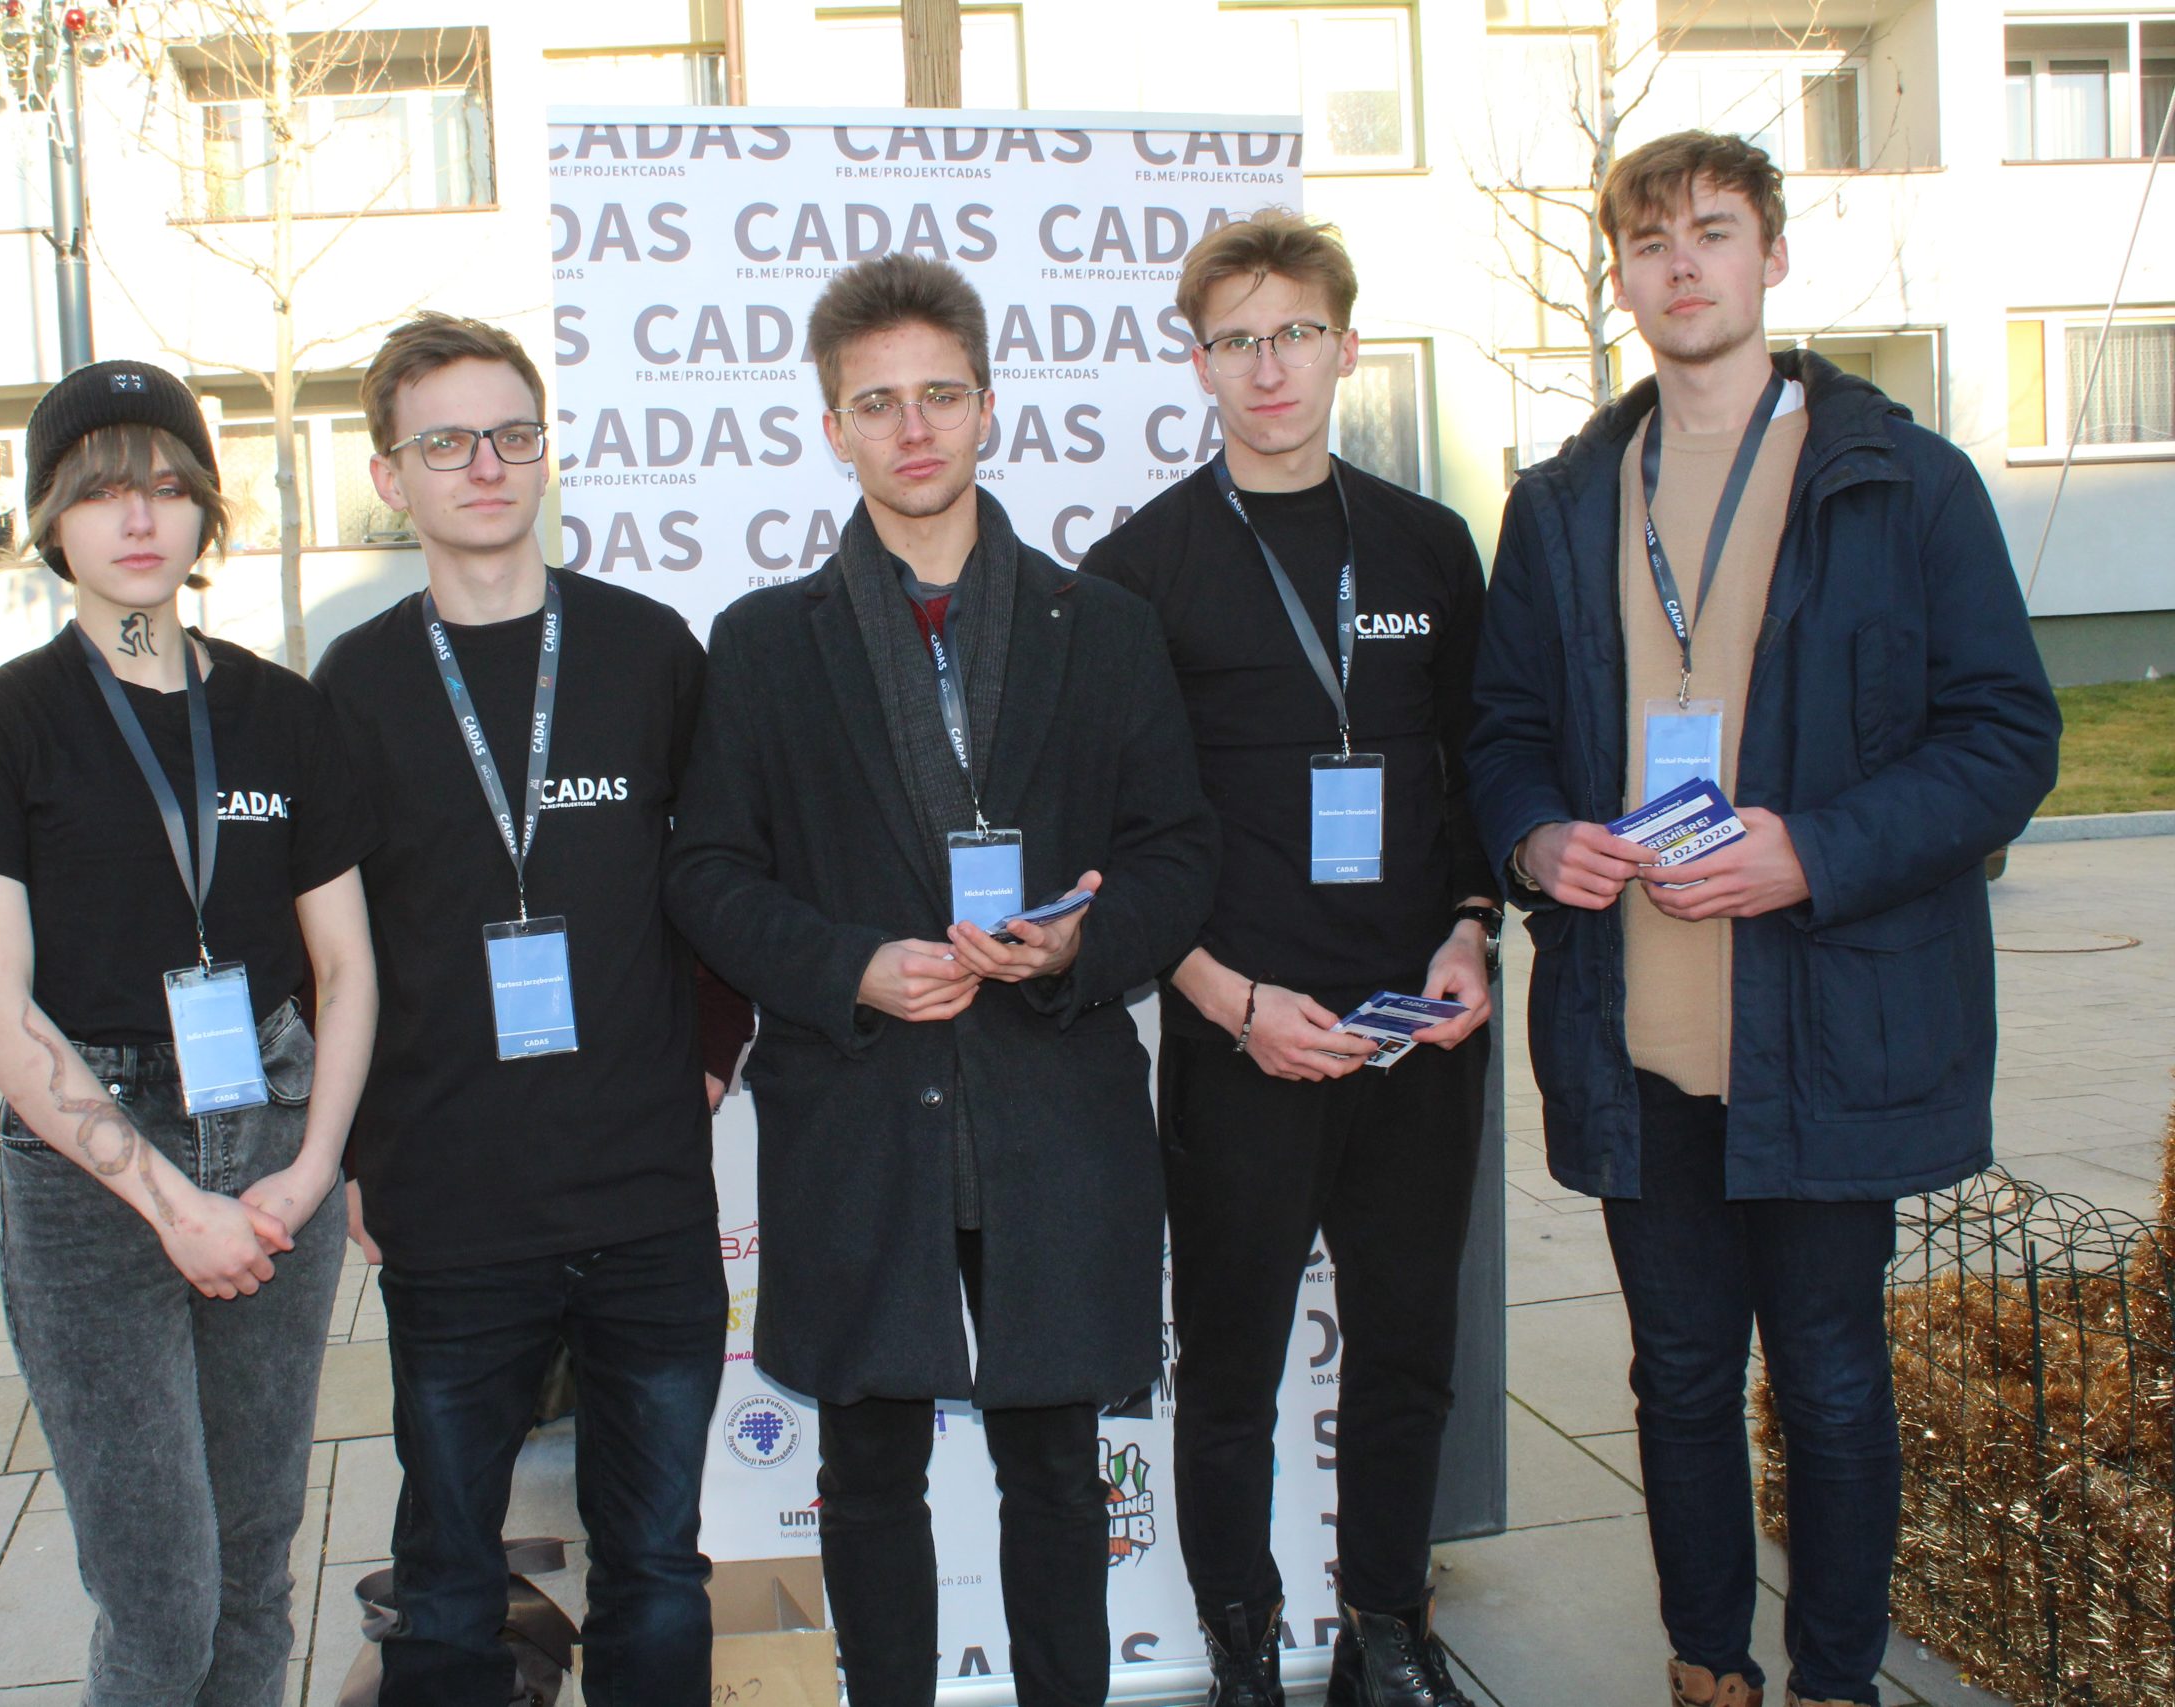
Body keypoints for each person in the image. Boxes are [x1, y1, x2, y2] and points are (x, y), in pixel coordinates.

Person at [1465, 132, 2060, 1707]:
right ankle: (1707, 1667)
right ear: (1620, 277)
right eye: (1651, 241)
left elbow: (2008, 736)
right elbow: (1504, 730)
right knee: (1675, 1379)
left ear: (1772, 258)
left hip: (1827, 1022)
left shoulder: (1903, 482)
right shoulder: (1563, 500)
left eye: (1714, 232)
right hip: (1635, 1031)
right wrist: (1536, 837)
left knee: (1833, 1382)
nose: (1683, 266)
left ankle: (1834, 1682)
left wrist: (1816, 852)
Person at [664, 253, 1220, 1707]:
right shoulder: (763, 645)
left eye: (939, 396)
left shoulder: (1104, 627)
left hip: (1055, 1105)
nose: (912, 429)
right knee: (867, 1470)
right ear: (832, 428)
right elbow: (708, 875)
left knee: (1058, 1468)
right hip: (860, 1109)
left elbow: (1178, 850)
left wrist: (1083, 943)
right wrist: (851, 966)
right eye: (877, 404)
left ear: (987, 407)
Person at [0, 359, 380, 1707]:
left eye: (168, 485)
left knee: (257, 1574)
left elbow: (346, 966)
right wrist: (172, 1206)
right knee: (161, 1598)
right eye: (104, 490)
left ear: (209, 508)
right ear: (53, 519)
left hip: (274, 1141)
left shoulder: (283, 712)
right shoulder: (0, 725)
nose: (142, 517)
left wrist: (315, 1168)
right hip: (94, 1170)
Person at [1084, 210, 1498, 1707]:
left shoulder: (1429, 544)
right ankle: (1244, 1642)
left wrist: (1471, 930)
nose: (1270, 367)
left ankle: (1385, 1630)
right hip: (1241, 1033)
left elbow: (1474, 762)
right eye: (1238, 340)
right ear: (1197, 361)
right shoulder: (1138, 568)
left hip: (1416, 1032)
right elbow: (1116, 830)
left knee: (1407, 1353)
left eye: (1297, 334)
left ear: (1347, 346)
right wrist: (1220, 998)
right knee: (1234, 1369)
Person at [312, 311, 747, 1707]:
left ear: (545, 452)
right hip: (453, 1198)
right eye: (446, 442)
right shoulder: (354, 685)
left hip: (643, 1193)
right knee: (446, 1580)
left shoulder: (645, 650)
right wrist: (353, 1151)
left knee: (657, 1570)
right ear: (391, 477)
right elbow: (326, 948)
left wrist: (712, 1051)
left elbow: (725, 868)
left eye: (511, 434)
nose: (487, 465)